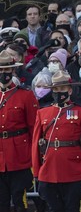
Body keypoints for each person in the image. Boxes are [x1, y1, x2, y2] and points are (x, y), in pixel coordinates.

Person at [31, 70, 81, 212]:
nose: (58, 92)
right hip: (49, 170)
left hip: (73, 170)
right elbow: (36, 144)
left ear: (69, 90)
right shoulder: (43, 112)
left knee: (72, 208)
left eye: (62, 89)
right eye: (55, 89)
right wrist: (37, 172)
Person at [0, 50, 39, 212]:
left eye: (7, 70)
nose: (3, 74)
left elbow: (34, 129)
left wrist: (33, 157)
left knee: (19, 200)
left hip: (19, 156)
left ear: (13, 71)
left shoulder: (25, 95)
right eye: (0, 70)